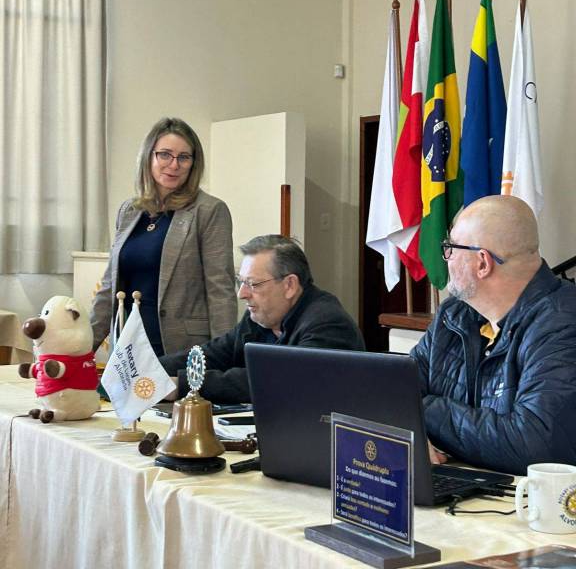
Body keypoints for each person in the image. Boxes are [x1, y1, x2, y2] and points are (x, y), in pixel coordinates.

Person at [411, 195, 576, 475]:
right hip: (464, 485)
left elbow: (535, 444)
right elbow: (396, 391)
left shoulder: (563, 324)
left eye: (451, 248)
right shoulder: (454, 315)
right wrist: (412, 428)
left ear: (483, 263)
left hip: (528, 498)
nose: (446, 258)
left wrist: (425, 412)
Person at [91, 117, 237, 357]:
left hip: (182, 348)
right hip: (128, 348)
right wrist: (81, 351)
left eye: (184, 157)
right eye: (165, 155)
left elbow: (220, 291)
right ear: (149, 157)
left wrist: (224, 357)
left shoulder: (209, 210)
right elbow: (109, 287)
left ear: (193, 164)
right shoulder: (129, 211)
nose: (174, 164)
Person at [160, 234, 365, 403]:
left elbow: (279, 382)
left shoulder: (328, 323)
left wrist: (182, 384)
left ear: (290, 285)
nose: (242, 294)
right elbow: (213, 354)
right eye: (241, 282)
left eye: (253, 284)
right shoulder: (261, 316)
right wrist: (153, 371)